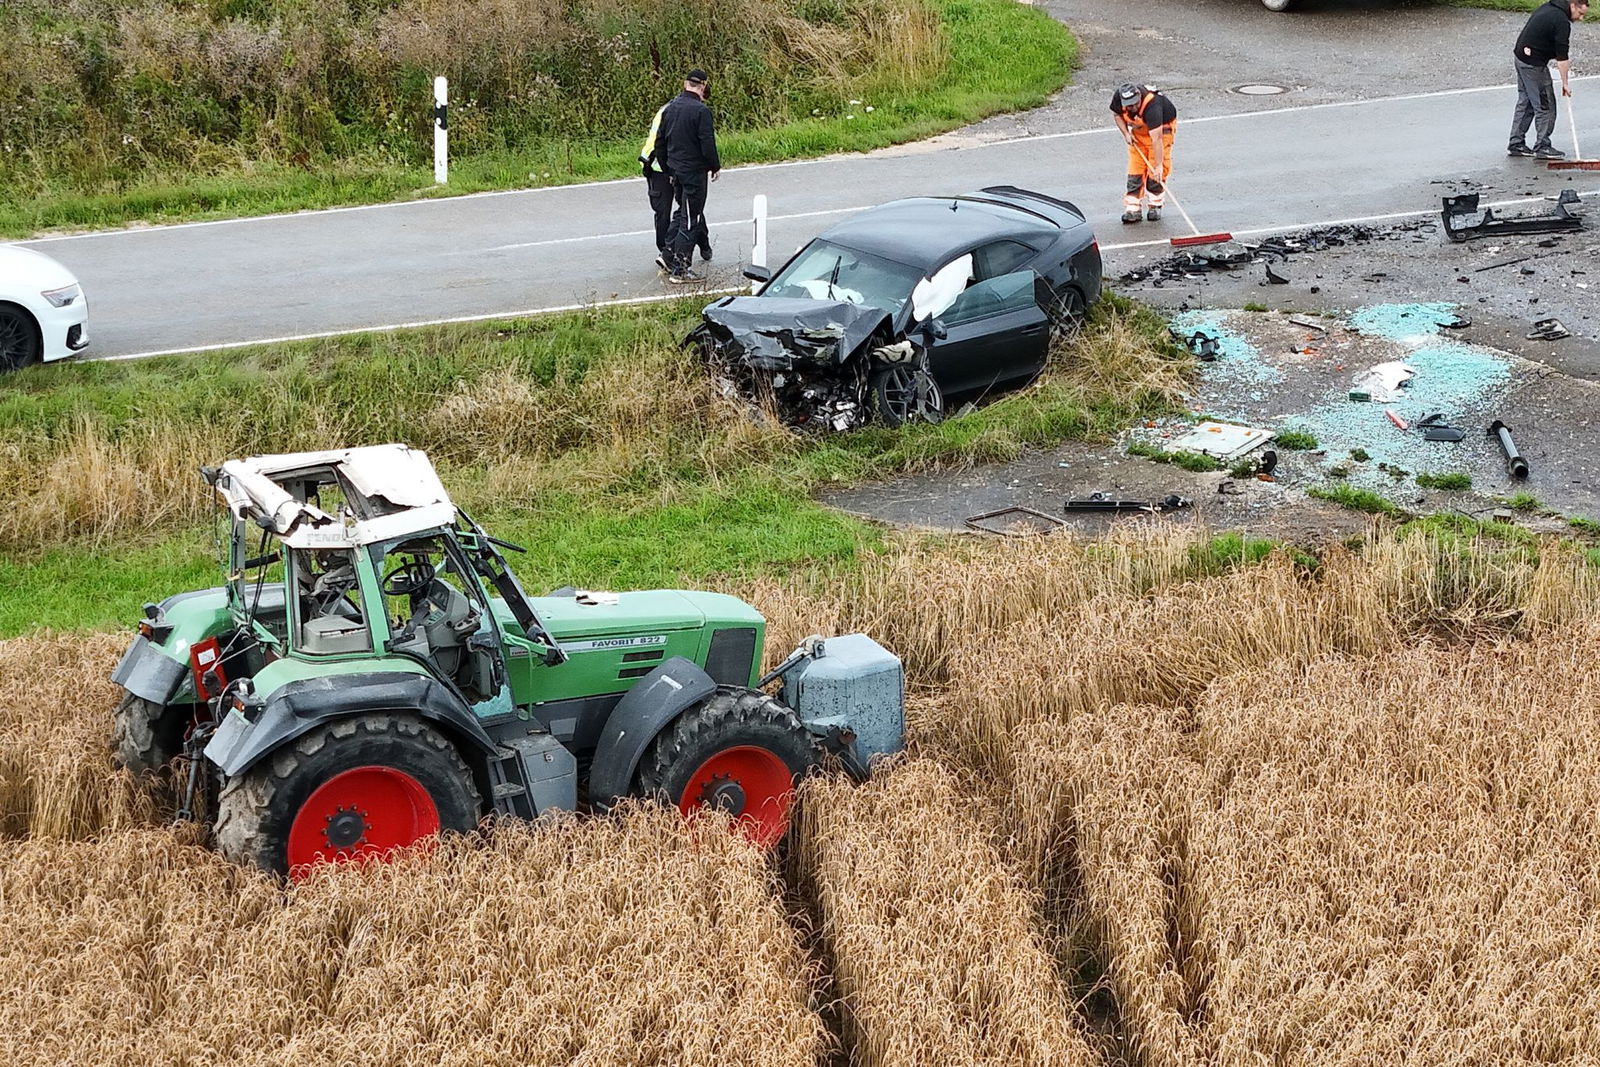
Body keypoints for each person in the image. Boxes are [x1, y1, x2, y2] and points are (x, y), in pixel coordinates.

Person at [656, 68, 721, 283]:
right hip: (693, 173)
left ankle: (667, 255)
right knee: (691, 219)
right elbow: (707, 144)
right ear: (702, 86)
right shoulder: (700, 111)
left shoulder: (670, 108)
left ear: (686, 84)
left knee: (682, 214)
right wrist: (714, 166)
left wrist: (668, 168)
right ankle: (681, 269)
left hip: (675, 170)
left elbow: (660, 143)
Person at [1509, 0, 1589, 160]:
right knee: (1546, 106)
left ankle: (1516, 143)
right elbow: (1562, 58)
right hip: (1532, 64)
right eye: (1580, 14)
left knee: (1527, 102)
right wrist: (1565, 83)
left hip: (1521, 57)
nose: (1580, 18)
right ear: (1573, 5)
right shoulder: (1561, 21)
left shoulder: (1549, 7)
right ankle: (1542, 146)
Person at [1110, 83, 1178, 224]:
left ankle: (1155, 205)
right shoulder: (1118, 98)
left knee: (1156, 171)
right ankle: (1133, 208)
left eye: (1135, 104)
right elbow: (1117, 115)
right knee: (1135, 170)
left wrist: (1158, 166)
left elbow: (1157, 139)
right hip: (1139, 133)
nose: (1133, 108)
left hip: (1161, 131)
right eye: (1129, 106)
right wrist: (1126, 134)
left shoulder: (1153, 106)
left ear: (1139, 97)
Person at [639, 102, 673, 272]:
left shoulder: (669, 108)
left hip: (665, 163)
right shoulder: (670, 111)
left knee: (685, 209)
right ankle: (664, 251)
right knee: (663, 211)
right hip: (656, 164)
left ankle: (703, 243)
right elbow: (660, 141)